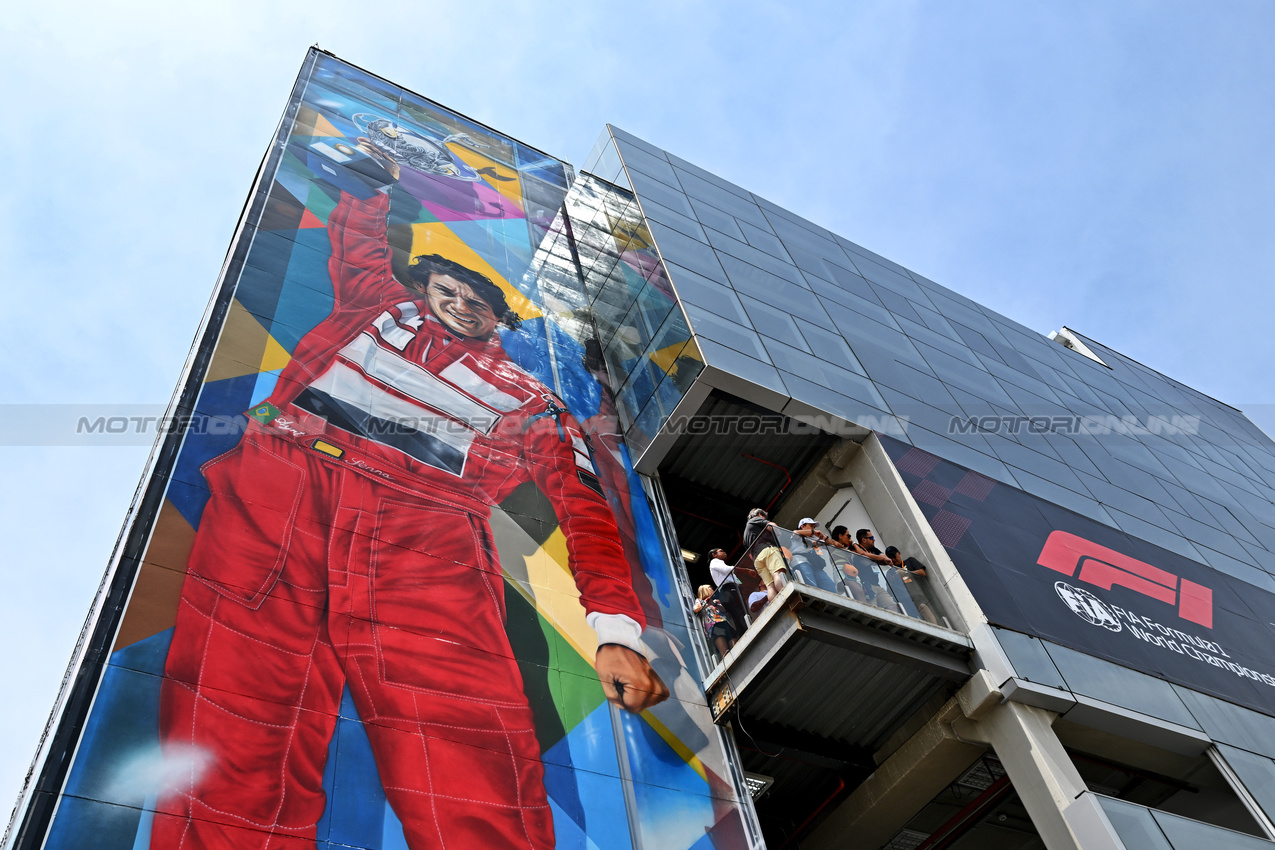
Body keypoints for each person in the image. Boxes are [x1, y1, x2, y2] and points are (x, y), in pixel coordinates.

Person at [152, 144, 668, 850]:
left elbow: (586, 516)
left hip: (422, 538)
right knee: (232, 732)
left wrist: (615, 634)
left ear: (497, 319)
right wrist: (373, 182)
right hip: (281, 490)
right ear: (422, 290)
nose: (459, 304)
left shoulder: (534, 403)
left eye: (477, 301)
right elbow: (359, 235)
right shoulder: (376, 308)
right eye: (446, 291)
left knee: (468, 766)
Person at [743, 508, 789, 600]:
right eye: (764, 517)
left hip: (757, 560)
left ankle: (777, 604)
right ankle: (787, 595)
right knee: (778, 573)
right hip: (767, 549)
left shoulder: (745, 535)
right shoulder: (755, 519)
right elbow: (772, 526)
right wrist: (778, 533)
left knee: (770, 586)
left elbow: (750, 556)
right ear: (760, 514)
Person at [887, 546, 940, 625]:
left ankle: (936, 628)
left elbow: (922, 573)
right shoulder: (890, 572)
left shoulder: (910, 561)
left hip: (918, 595)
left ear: (899, 553)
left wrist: (905, 572)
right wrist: (892, 580)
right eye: (891, 559)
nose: (893, 560)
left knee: (923, 608)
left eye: (894, 556)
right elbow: (889, 590)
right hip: (904, 600)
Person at [856, 528, 900, 611]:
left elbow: (885, 558)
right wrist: (877, 558)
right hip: (866, 585)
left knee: (892, 606)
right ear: (864, 540)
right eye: (871, 538)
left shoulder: (873, 549)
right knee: (873, 609)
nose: (874, 540)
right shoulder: (856, 547)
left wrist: (874, 558)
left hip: (877, 585)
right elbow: (861, 554)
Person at [789, 518, 839, 592]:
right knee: (811, 585)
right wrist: (813, 532)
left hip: (814, 563)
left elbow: (830, 545)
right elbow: (795, 533)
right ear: (802, 526)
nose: (813, 528)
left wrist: (824, 537)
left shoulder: (814, 538)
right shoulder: (797, 536)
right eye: (811, 525)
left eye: (814, 527)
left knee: (829, 585)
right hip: (801, 562)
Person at [708, 547, 748, 635]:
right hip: (728, 589)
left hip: (727, 590)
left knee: (737, 614)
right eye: (721, 551)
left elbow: (733, 576)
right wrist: (747, 571)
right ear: (714, 555)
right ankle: (748, 629)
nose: (724, 552)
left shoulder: (720, 564)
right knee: (740, 612)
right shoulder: (714, 562)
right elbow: (728, 569)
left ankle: (743, 633)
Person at [694, 584, 737, 660]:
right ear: (705, 590)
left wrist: (717, 604)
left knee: (735, 644)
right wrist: (706, 604)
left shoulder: (715, 601)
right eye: (710, 588)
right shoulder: (700, 601)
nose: (712, 589)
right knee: (724, 650)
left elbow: (724, 610)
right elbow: (696, 609)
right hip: (714, 626)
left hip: (724, 622)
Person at [829, 525, 867, 602]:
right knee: (858, 591)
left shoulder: (847, 550)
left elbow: (861, 553)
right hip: (841, 571)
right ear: (840, 536)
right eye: (848, 535)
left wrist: (853, 543)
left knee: (859, 592)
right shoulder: (832, 545)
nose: (849, 538)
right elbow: (834, 543)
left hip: (852, 572)